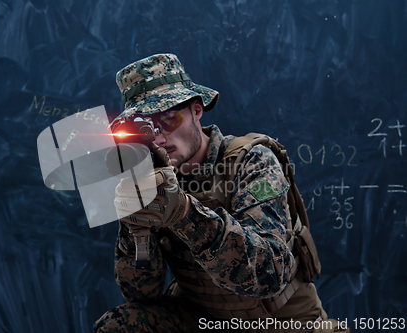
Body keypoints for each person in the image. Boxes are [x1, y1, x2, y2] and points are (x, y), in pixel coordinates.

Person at [94, 54, 346, 333]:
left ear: (196, 109)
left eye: (167, 119)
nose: (159, 138)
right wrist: (135, 226)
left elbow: (269, 273)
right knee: (120, 326)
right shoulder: (149, 180)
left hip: (281, 322)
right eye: (145, 130)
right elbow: (142, 293)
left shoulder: (252, 162)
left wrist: (184, 213)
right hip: (205, 320)